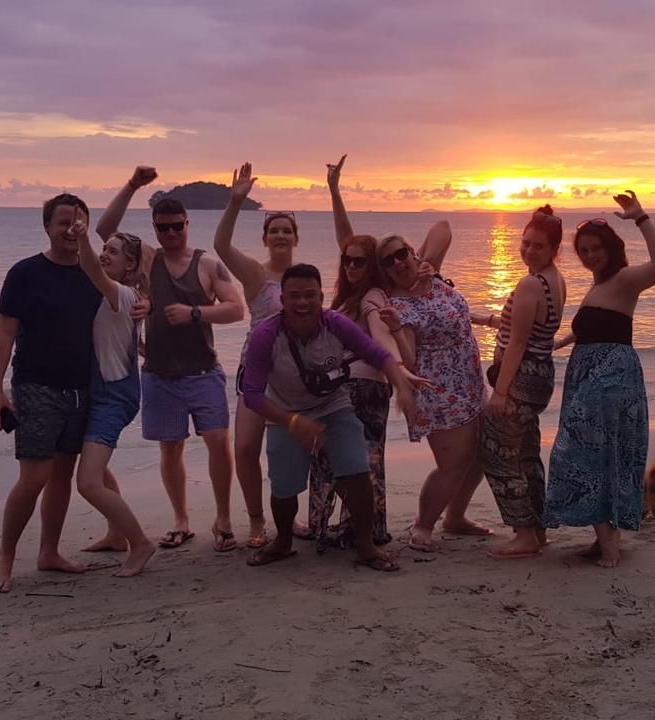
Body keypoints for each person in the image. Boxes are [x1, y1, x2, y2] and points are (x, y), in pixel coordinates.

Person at [0, 194, 140, 593]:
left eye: (78, 222)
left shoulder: (95, 273)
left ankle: (49, 552)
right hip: (36, 385)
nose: (71, 229)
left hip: (85, 388)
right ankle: (6, 557)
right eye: (63, 222)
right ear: (47, 227)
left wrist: (149, 306)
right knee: (33, 477)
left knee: (62, 475)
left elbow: (128, 296)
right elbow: (5, 332)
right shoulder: (25, 273)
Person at [96, 166, 246, 553]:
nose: (171, 233)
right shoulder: (149, 260)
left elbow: (236, 309)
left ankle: (223, 518)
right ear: (155, 229)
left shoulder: (207, 264)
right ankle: (181, 520)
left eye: (177, 226)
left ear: (187, 224)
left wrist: (195, 312)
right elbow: (105, 230)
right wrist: (132, 185)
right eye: (163, 228)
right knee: (170, 447)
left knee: (218, 441)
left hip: (203, 370)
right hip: (159, 374)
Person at [239, 264, 423, 571]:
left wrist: (402, 386)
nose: (302, 302)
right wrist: (293, 422)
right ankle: (283, 541)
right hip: (285, 412)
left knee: (358, 471)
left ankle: (365, 546)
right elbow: (253, 395)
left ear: (321, 297)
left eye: (310, 295)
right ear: (282, 300)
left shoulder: (335, 324)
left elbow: (378, 355)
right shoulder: (265, 336)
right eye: (294, 296)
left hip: (333, 407)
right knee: (284, 485)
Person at [544, 190, 655, 568]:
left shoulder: (625, 278)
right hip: (589, 374)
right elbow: (599, 325)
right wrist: (562, 341)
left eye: (595, 248)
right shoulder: (598, 285)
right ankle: (604, 536)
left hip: (611, 377)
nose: (589, 255)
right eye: (582, 250)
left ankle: (609, 541)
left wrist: (640, 217)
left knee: (582, 454)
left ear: (610, 248)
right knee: (601, 457)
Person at [302, 155, 417, 552]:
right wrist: (334, 190)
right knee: (359, 458)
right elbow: (346, 237)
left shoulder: (371, 297)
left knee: (345, 459)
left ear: (372, 267)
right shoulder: (349, 294)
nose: (351, 265)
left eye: (359, 261)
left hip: (360, 390)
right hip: (352, 388)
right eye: (346, 260)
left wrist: (397, 368)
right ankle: (354, 529)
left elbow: (380, 334)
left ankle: (351, 530)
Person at [377, 225, 490, 551]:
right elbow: (410, 358)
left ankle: (455, 517)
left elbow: (443, 227)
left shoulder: (431, 275)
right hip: (440, 395)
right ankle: (423, 525)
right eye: (388, 261)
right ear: (384, 271)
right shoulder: (398, 305)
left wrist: (425, 261)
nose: (398, 263)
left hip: (470, 384)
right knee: (453, 463)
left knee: (481, 455)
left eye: (402, 253)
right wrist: (396, 328)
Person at [472, 205, 566, 559]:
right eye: (525, 243)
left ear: (554, 249)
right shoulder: (554, 279)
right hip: (539, 375)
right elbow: (533, 329)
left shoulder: (530, 283)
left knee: (499, 455)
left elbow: (519, 342)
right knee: (526, 453)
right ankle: (537, 530)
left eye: (538, 246)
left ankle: (524, 535)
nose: (529, 250)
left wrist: (500, 391)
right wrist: (487, 319)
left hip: (521, 379)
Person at [213, 162, 295, 549]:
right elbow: (221, 247)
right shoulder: (256, 275)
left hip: (294, 376)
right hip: (257, 372)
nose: (280, 235)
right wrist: (234, 202)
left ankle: (289, 518)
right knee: (246, 447)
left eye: (286, 230)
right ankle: (256, 519)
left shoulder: (304, 277)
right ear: (264, 239)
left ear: (295, 237)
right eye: (273, 230)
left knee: (287, 452)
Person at [72, 223, 158, 577]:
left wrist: (82, 237)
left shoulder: (121, 293)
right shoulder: (124, 295)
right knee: (97, 469)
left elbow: (89, 266)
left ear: (130, 266)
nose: (104, 254)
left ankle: (140, 543)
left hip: (114, 395)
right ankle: (116, 534)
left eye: (113, 251)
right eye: (103, 248)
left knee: (88, 483)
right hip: (101, 391)